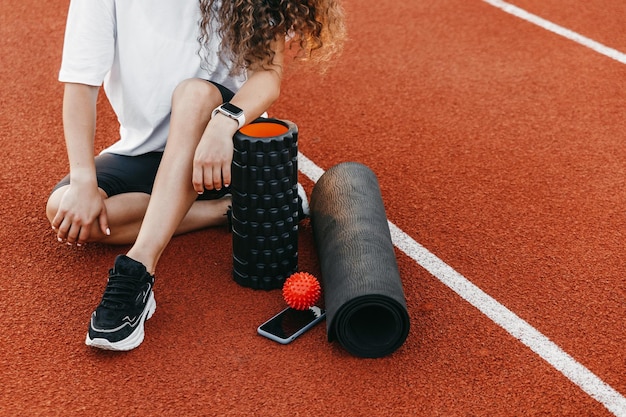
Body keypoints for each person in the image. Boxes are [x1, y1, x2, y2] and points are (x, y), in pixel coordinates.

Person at [46, 0, 346, 351]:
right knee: (64, 209)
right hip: (146, 151)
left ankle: (138, 267)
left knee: (195, 93)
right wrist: (83, 180)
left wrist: (225, 120)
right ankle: (231, 211)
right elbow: (81, 84)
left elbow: (268, 76)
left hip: (221, 151)